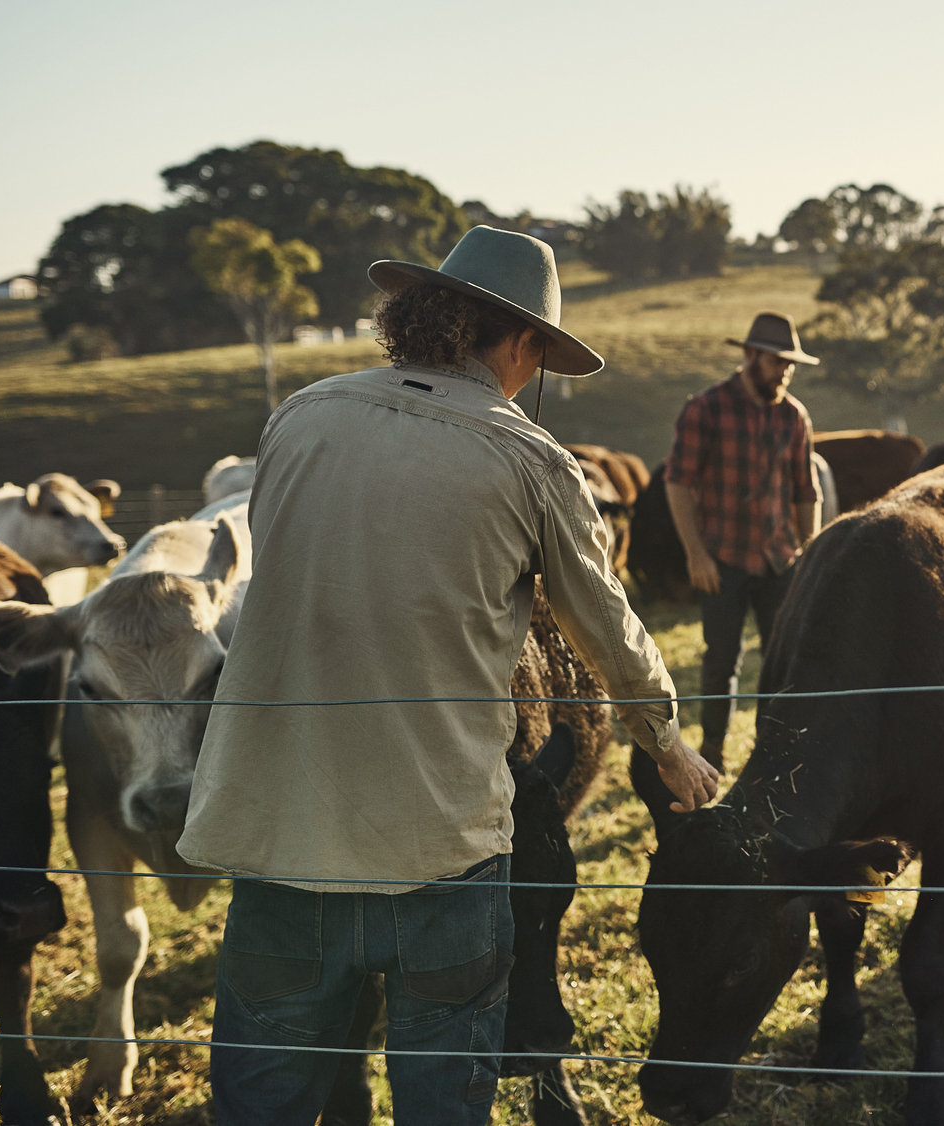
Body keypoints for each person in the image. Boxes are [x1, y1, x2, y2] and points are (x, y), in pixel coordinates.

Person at [178, 226, 719, 1125]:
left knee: (261, 1100)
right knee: (440, 1098)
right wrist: (667, 744)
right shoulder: (533, 460)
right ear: (521, 343)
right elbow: (608, 628)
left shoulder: (299, 418)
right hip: (440, 849)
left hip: (277, 832)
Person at [666, 310, 820, 771]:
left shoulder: (795, 416)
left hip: (778, 561)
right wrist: (696, 555)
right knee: (721, 660)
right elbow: (677, 483)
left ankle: (771, 752)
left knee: (782, 661)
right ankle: (713, 749)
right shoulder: (707, 408)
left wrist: (810, 555)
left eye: (790, 364)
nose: (786, 371)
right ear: (751, 356)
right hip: (723, 558)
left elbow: (805, 490)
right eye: (778, 361)